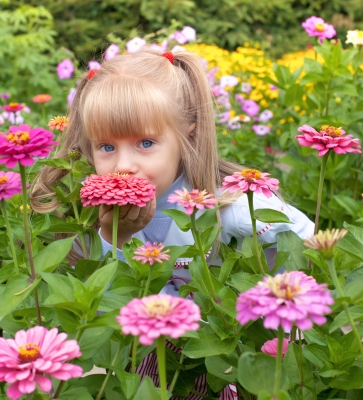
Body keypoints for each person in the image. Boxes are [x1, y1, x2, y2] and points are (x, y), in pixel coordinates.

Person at [32, 49, 314, 400]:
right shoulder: (92, 213)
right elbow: (107, 317)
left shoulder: (235, 209)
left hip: (226, 366)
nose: (123, 165)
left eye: (145, 143)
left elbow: (307, 250)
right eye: (106, 146)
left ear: (187, 132)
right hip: (146, 363)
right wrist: (114, 238)